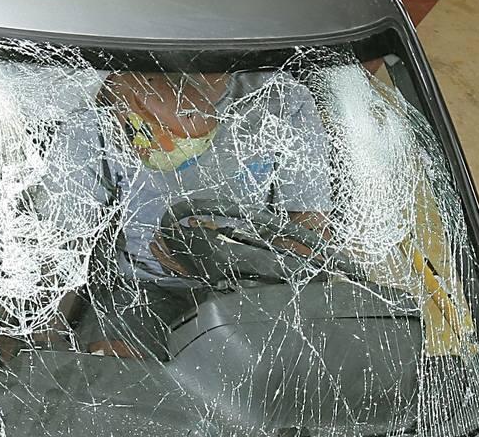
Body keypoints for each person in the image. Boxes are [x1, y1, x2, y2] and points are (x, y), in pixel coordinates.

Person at [40, 70, 335, 359]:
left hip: (252, 292)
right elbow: (61, 245)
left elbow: (312, 240)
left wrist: (230, 258)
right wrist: (38, 340)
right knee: (114, 369)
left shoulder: (281, 98)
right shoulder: (105, 106)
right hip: (144, 293)